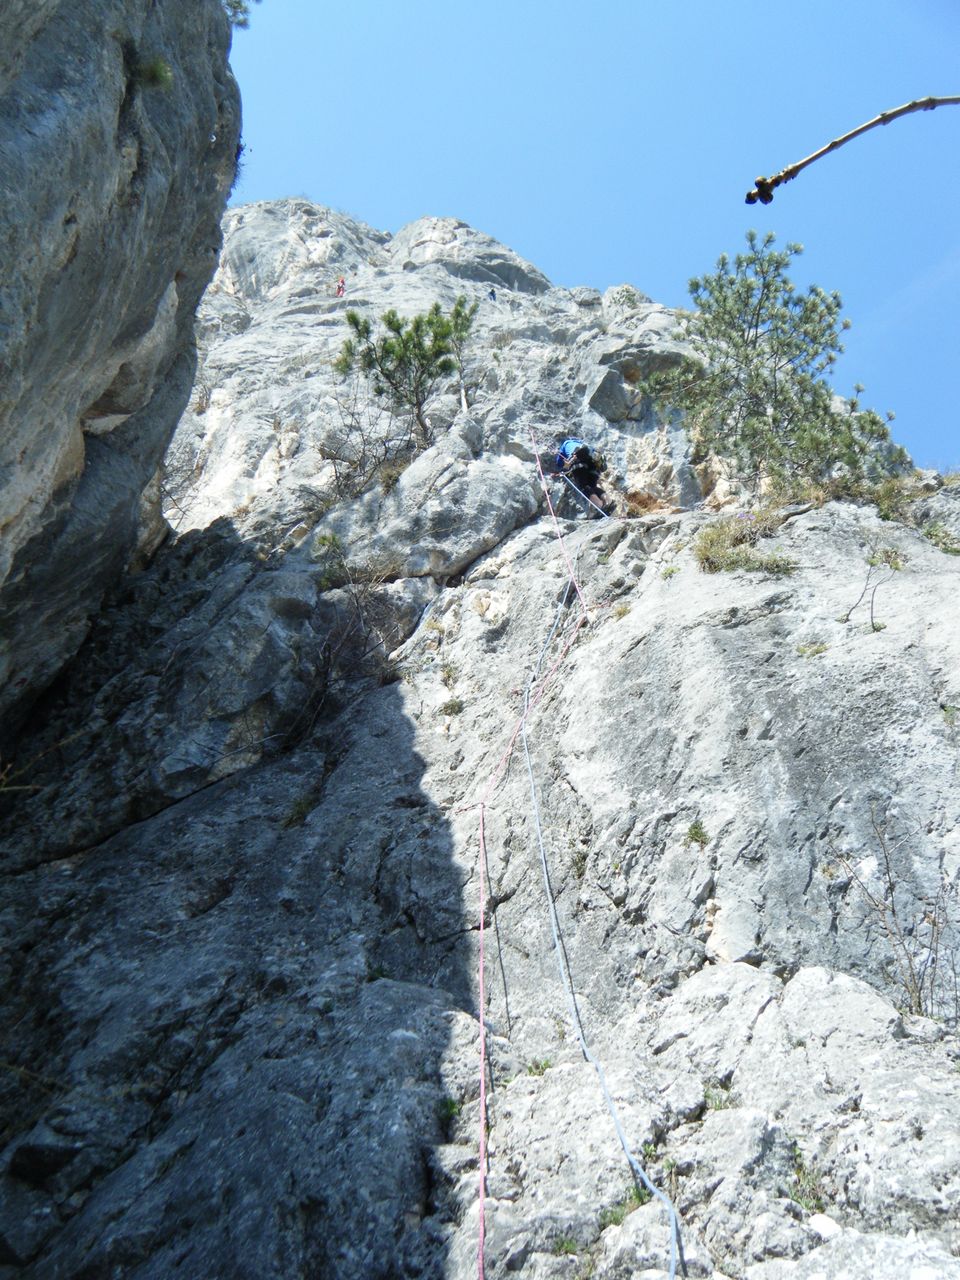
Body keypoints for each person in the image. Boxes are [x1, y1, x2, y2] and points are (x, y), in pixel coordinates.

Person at [552, 437, 607, 514]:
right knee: (592, 487)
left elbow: (559, 463)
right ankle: (608, 501)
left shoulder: (565, 444)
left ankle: (599, 506)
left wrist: (563, 468)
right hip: (592, 463)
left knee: (584, 486)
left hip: (578, 460)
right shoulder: (580, 443)